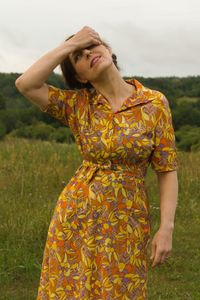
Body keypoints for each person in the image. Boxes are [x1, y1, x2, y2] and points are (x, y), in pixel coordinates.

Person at [15, 26, 179, 299]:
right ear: (79, 76)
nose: (89, 52)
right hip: (76, 216)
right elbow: (25, 84)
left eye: (93, 45)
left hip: (127, 218)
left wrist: (166, 227)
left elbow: (167, 169)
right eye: (79, 55)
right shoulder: (78, 104)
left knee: (121, 291)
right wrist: (68, 46)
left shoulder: (154, 103)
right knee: (69, 290)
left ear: (109, 51)